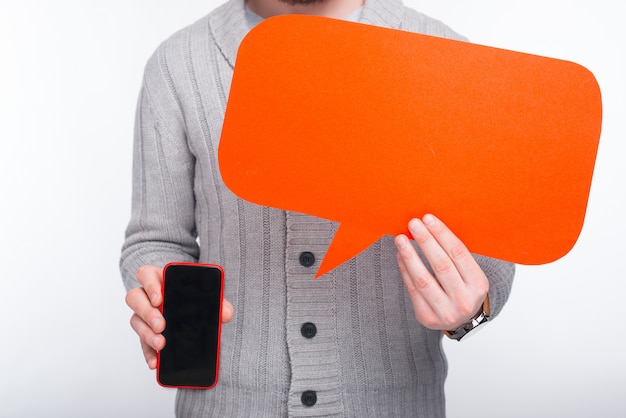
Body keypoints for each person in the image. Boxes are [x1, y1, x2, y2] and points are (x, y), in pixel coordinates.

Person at [121, 0, 515, 416]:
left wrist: (469, 312)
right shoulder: (179, 63)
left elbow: (493, 259)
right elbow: (155, 238)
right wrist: (158, 295)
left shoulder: (446, 55)